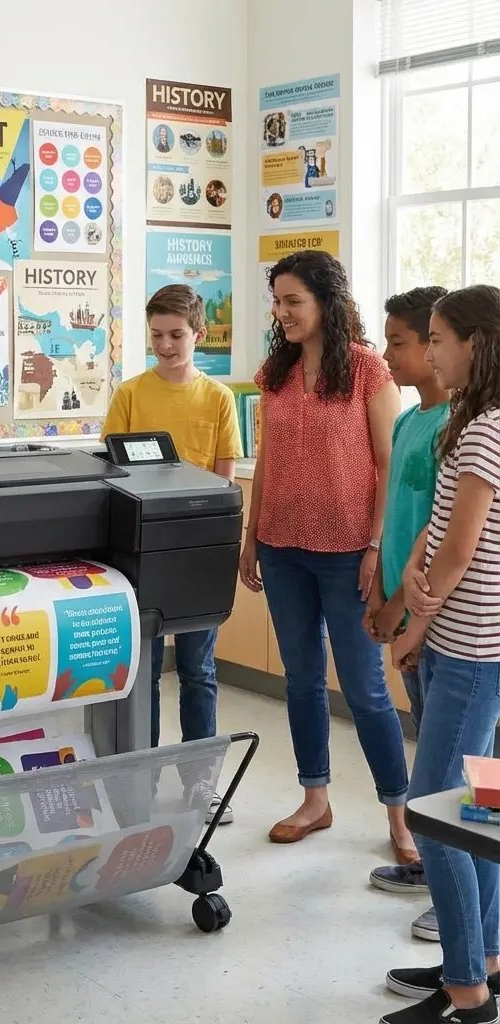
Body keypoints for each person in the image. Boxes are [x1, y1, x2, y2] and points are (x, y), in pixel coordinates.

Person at [239, 250, 414, 858]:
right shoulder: (277, 371)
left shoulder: (367, 368)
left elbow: (389, 464)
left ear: (327, 303)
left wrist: (376, 547)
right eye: (277, 301)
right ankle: (315, 798)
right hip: (281, 547)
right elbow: (268, 459)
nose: (282, 312)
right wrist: (251, 535)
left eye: (294, 301)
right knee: (303, 681)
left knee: (365, 689)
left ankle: (400, 815)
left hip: (348, 551)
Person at [382, 284, 500, 1024]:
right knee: (481, 808)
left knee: (434, 814)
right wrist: (415, 592)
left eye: (437, 338)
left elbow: (456, 552)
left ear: (474, 345)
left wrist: (414, 625)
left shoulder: (485, 431)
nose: (430, 351)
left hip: (470, 653)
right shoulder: (474, 422)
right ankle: (485, 957)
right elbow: (437, 529)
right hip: (477, 646)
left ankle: (467, 993)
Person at [102, 284, 243, 822]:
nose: (164, 344)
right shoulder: (130, 394)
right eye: (157, 334)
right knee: (143, 673)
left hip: (198, 555)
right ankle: (142, 779)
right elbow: (111, 473)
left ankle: (200, 783)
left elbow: (225, 482)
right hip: (142, 552)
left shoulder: (218, 399)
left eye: (176, 335)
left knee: (198, 671)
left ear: (198, 335)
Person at [363, 288, 450, 947]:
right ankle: (434, 870)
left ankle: (463, 899)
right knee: (431, 750)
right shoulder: (408, 420)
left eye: (399, 342)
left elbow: (445, 540)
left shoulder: (460, 426)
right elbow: (398, 515)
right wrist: (381, 588)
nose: (387, 353)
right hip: (401, 602)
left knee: (459, 770)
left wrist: (408, 612)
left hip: (440, 617)